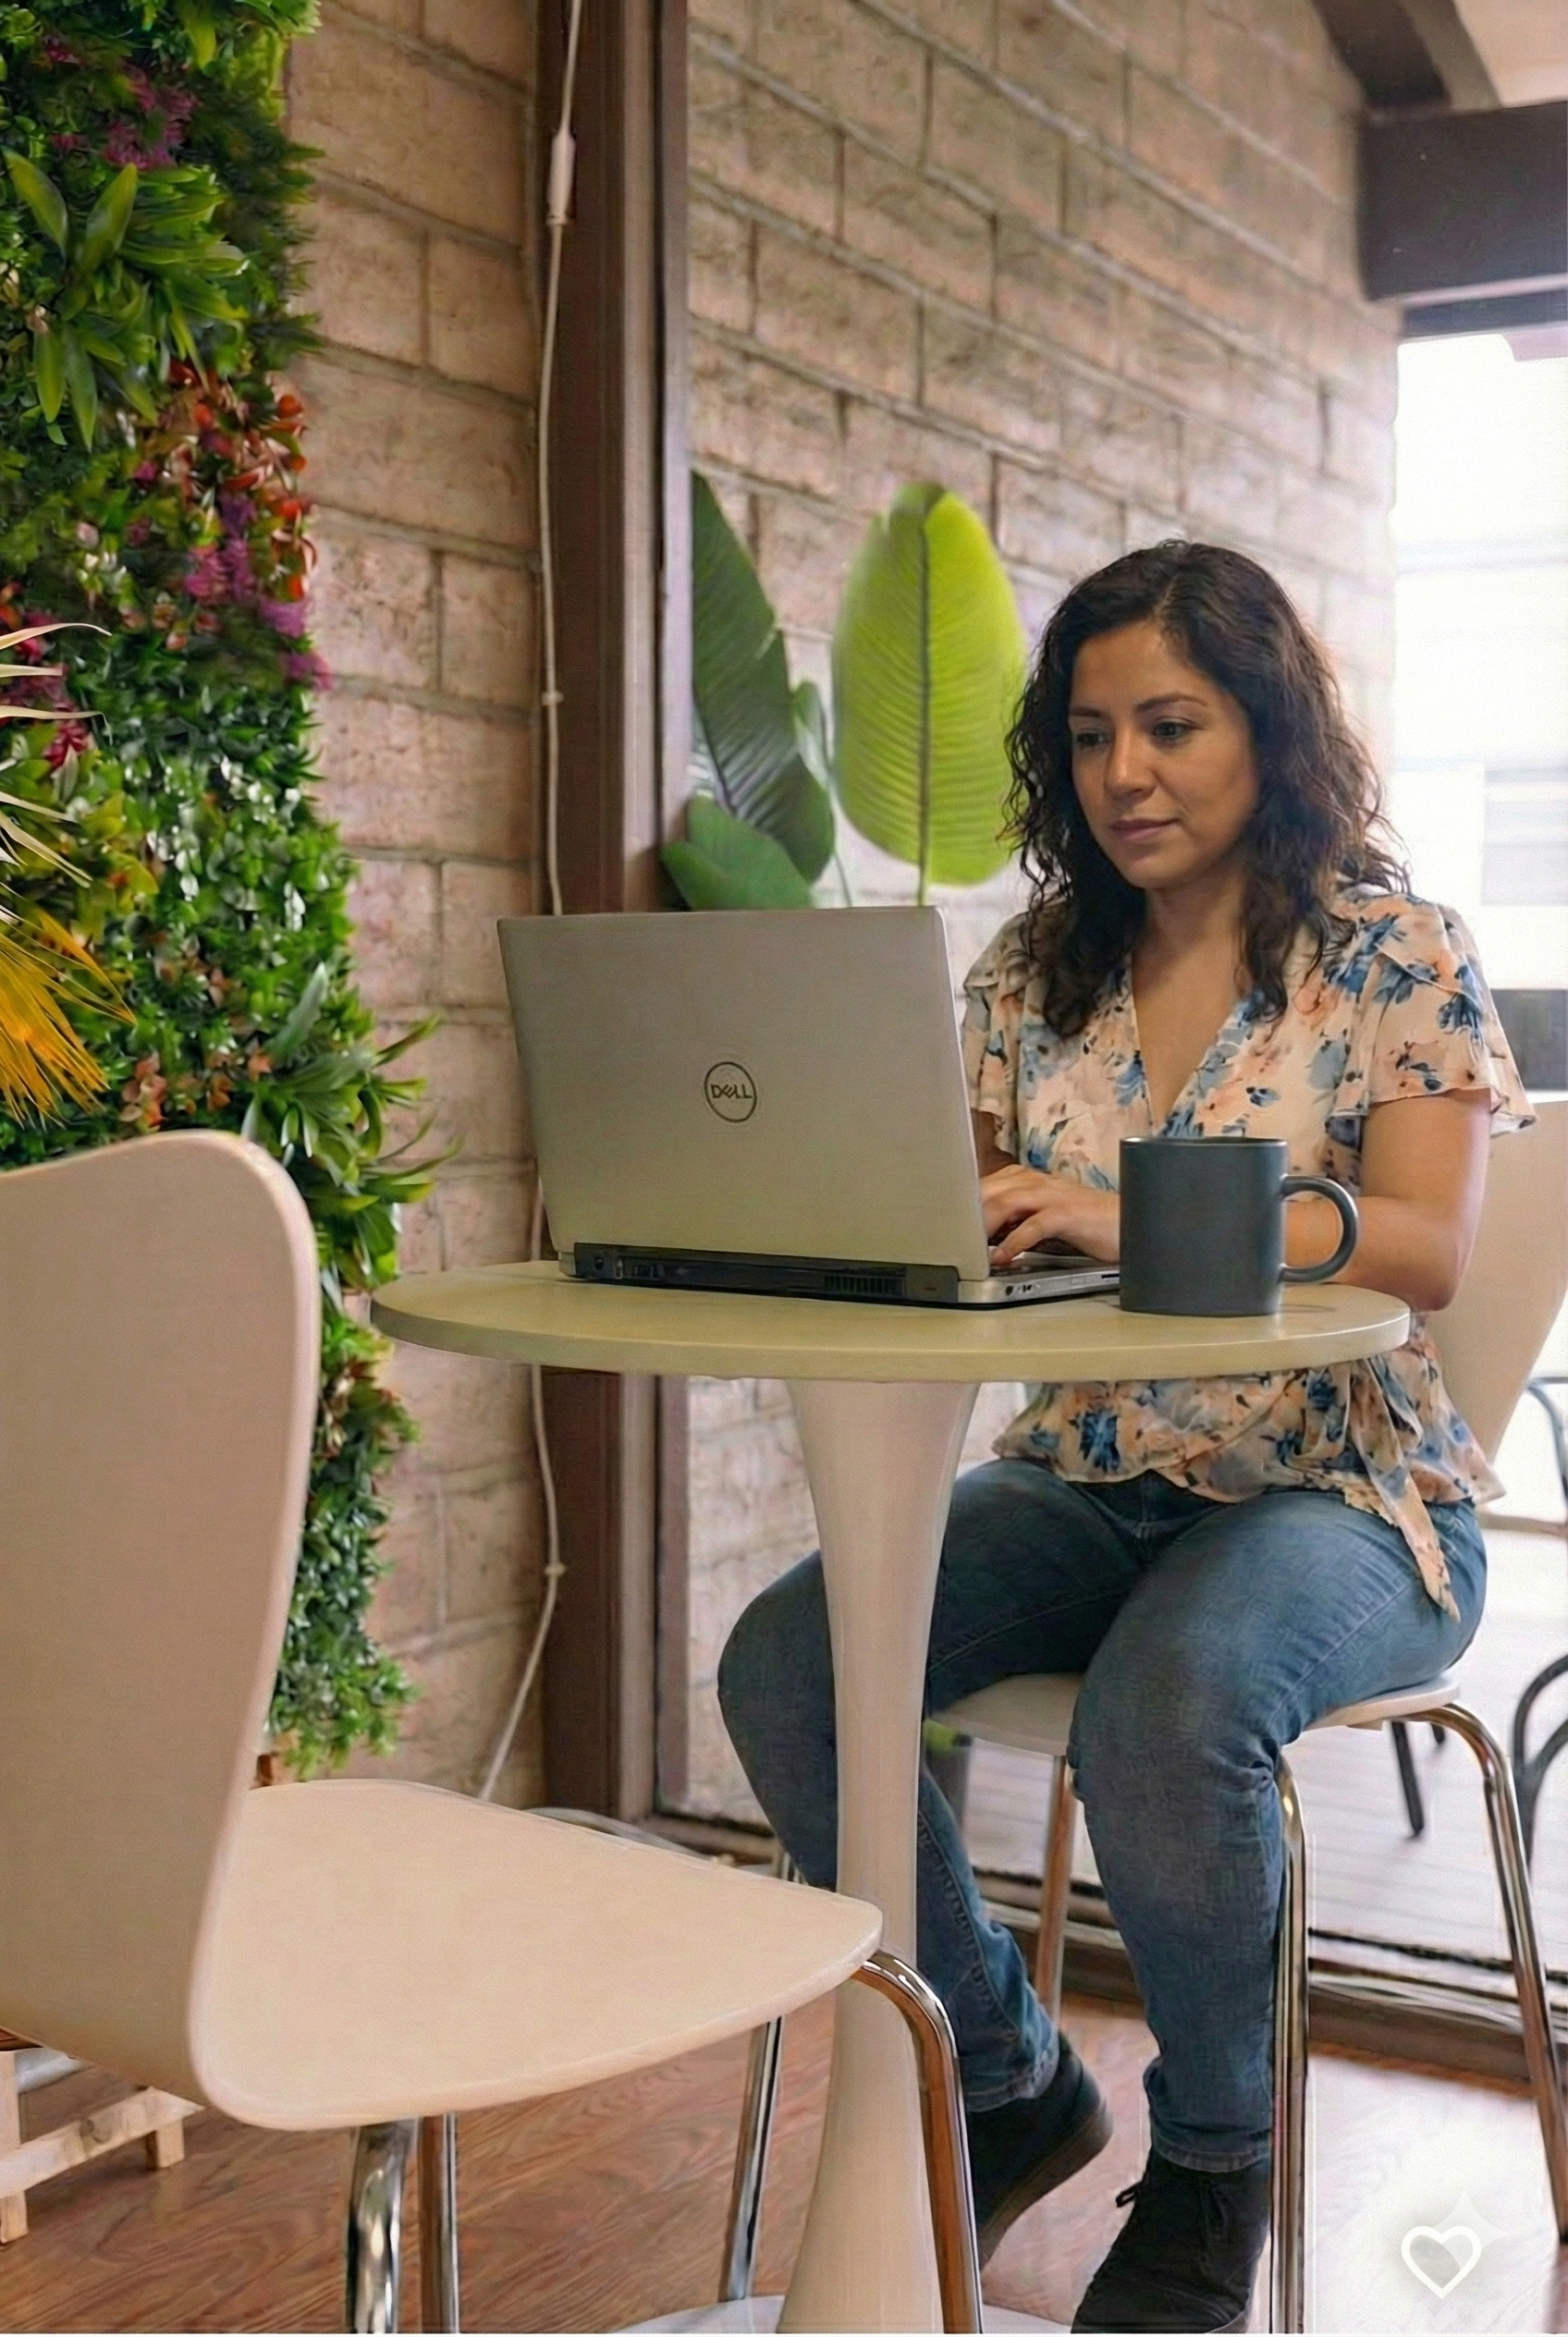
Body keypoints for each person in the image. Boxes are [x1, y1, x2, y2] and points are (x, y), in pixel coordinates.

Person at [717, 540, 1530, 2334]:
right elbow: (963, 1208)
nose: (1123, 774)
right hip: (1083, 1476)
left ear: (1266, 726)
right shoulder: (1029, 970)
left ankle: (1211, 2160)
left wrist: (1131, 1207)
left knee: (1162, 1711)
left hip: (1340, 1487)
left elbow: (1420, 1247)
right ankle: (1008, 2079)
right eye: (1088, 737)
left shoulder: (1390, 954)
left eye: (1167, 725)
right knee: (788, 1663)